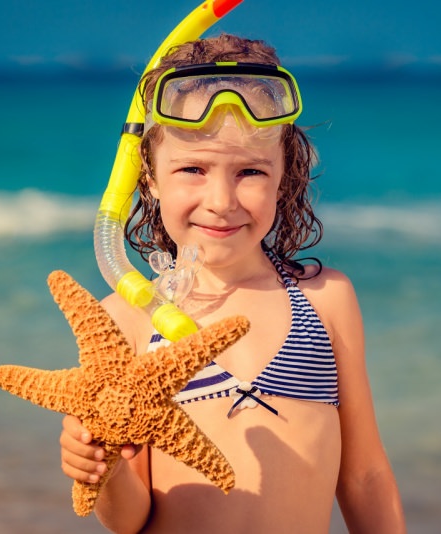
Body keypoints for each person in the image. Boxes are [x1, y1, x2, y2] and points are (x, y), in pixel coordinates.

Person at [59, 33, 406, 533]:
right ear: (150, 178)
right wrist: (103, 469)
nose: (221, 200)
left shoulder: (326, 300)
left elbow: (365, 475)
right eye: (193, 169)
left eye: (249, 171)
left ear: (285, 176)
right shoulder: (125, 318)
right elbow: (129, 520)